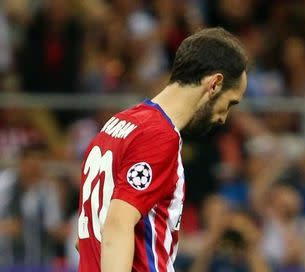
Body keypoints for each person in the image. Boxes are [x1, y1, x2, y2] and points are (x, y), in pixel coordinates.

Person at [77, 27, 248, 272]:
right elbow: (117, 226)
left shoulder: (118, 125)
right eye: (230, 103)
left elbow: (84, 240)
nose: (224, 117)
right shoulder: (158, 136)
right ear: (214, 83)